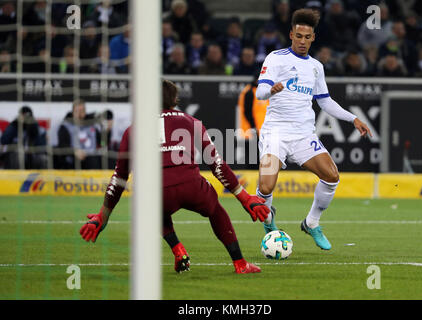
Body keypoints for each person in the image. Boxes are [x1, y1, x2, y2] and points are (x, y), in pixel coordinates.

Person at [80, 80, 270, 274]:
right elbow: (216, 164)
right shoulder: (191, 122)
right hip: (191, 185)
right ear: (175, 100)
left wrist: (103, 215)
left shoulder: (133, 130)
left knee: (151, 208)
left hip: (157, 190)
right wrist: (245, 198)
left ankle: (177, 249)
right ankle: (240, 263)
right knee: (216, 211)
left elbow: (119, 178)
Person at [255, 9, 372, 251]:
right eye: (298, 36)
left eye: (306, 37)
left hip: (303, 135)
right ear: (291, 35)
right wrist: (271, 90)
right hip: (275, 132)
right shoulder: (275, 58)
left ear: (313, 38)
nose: (302, 41)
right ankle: (268, 220)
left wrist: (353, 119)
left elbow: (325, 101)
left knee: (331, 176)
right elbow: (260, 92)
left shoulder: (316, 67)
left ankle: (311, 222)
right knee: (266, 187)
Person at [56, 100, 101, 169]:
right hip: (73, 160)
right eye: (77, 111)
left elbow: (103, 143)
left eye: (82, 111)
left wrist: (107, 132)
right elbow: (62, 146)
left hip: (92, 159)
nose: (80, 114)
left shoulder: (93, 125)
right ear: (73, 112)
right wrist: (74, 152)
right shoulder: (65, 126)